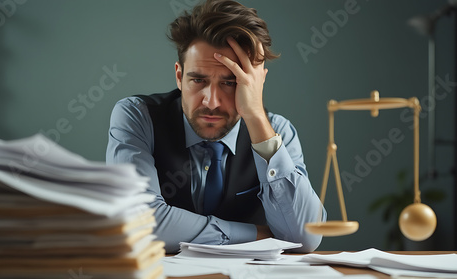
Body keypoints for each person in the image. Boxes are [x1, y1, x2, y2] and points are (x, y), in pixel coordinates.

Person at [106, 0, 326, 253]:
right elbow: (138, 224)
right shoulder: (137, 116)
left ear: (256, 82)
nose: (211, 102)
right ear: (179, 76)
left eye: (230, 83)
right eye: (198, 80)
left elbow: (305, 238)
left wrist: (255, 116)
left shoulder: (277, 131)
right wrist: (255, 235)